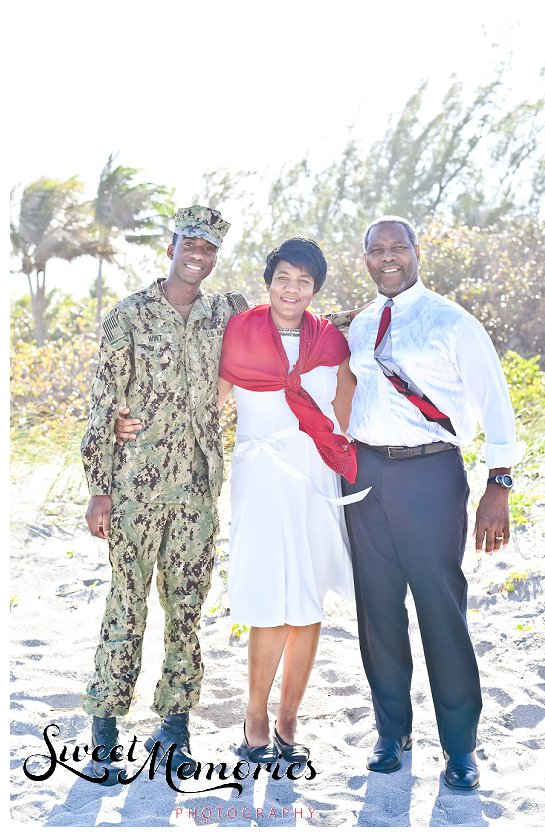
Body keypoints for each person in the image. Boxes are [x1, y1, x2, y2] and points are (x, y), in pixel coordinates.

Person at [340, 215, 520, 791]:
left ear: (417, 252)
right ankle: (392, 733)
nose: (387, 257)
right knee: (377, 608)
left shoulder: (451, 321)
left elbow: (495, 404)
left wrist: (500, 485)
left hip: (431, 474)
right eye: (376, 250)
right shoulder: (359, 327)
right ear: (365, 259)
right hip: (366, 475)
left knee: (442, 609)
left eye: (397, 247)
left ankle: (460, 745)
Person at [79, 205, 249, 782]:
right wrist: (99, 489)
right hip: (135, 487)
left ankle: (175, 718)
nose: (198, 255)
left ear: (215, 257)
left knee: (185, 608)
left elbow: (286, 319)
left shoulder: (226, 312)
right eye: (190, 245)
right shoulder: (128, 317)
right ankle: (105, 716)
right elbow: (104, 403)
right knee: (125, 602)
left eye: (209, 249)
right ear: (172, 247)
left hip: (198, 488)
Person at [215, 237, 364, 767]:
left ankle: (288, 720)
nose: (292, 289)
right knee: (267, 598)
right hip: (259, 474)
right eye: (284, 278)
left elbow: (347, 410)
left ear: (316, 288)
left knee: (306, 601)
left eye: (304, 281)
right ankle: (255, 716)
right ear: (269, 280)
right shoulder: (240, 332)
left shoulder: (330, 340)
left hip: (314, 477)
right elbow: (206, 404)